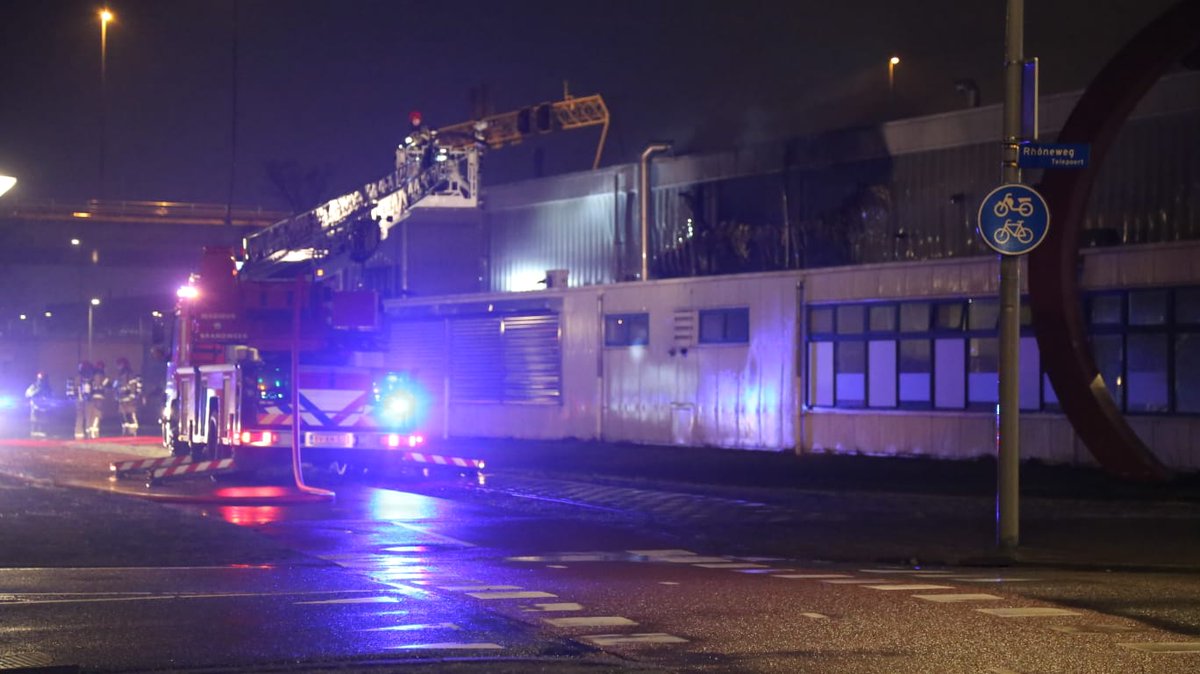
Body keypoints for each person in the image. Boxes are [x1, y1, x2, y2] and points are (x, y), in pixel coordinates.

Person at [114, 358, 142, 436]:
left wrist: (132, 397)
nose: (118, 367)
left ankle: (133, 432)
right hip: (122, 399)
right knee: (123, 417)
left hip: (129, 400)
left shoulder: (130, 374)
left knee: (130, 416)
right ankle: (125, 431)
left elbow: (132, 387)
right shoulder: (120, 375)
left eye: (119, 365)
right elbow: (116, 387)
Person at [24, 372, 52, 438]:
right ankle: (33, 431)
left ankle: (42, 430)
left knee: (43, 421)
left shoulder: (48, 387)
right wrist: (36, 391)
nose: (41, 380)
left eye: (43, 379)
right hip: (35, 406)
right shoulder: (34, 386)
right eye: (40, 379)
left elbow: (51, 395)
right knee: (34, 420)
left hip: (44, 407)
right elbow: (27, 394)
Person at [86, 360, 109, 439]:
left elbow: (88, 386)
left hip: (92, 398)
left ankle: (91, 432)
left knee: (92, 414)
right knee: (97, 415)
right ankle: (94, 432)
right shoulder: (101, 375)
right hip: (99, 397)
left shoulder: (91, 375)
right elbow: (106, 385)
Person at [71, 361, 94, 439]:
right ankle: (89, 434)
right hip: (88, 400)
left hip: (79, 400)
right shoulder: (90, 377)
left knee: (80, 416)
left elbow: (75, 388)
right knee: (88, 416)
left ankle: (78, 434)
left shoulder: (78, 377)